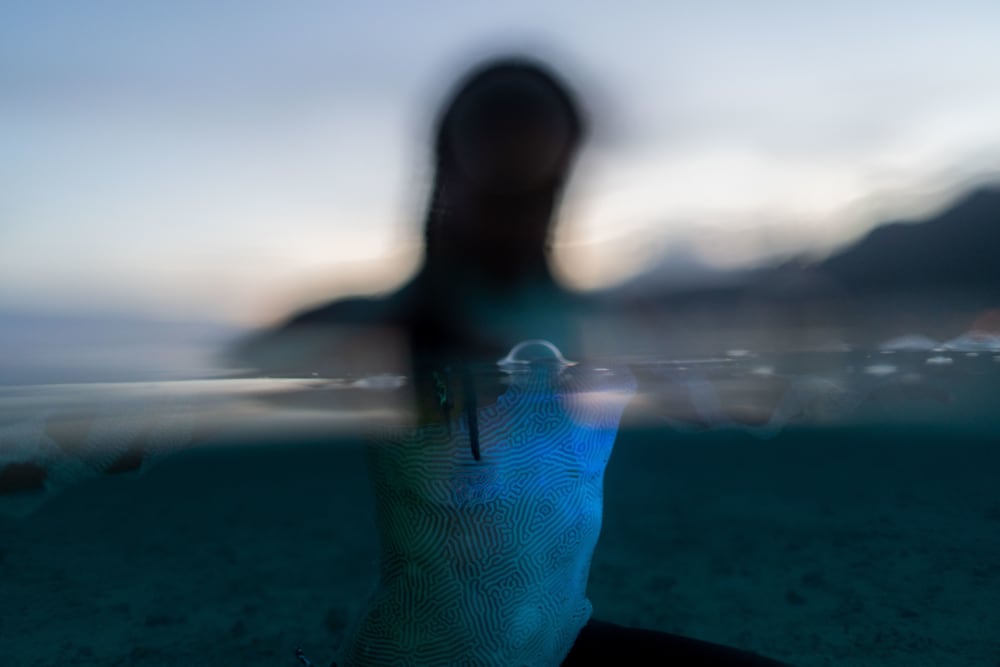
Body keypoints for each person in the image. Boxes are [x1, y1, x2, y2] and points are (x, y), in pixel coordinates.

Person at [246, 57, 792, 666]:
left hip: (558, 644)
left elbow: (743, 408)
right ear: (449, 159)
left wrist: (756, 385)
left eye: (534, 149)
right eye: (494, 142)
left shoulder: (618, 328)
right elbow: (156, 429)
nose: (515, 174)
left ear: (567, 162)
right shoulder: (374, 329)